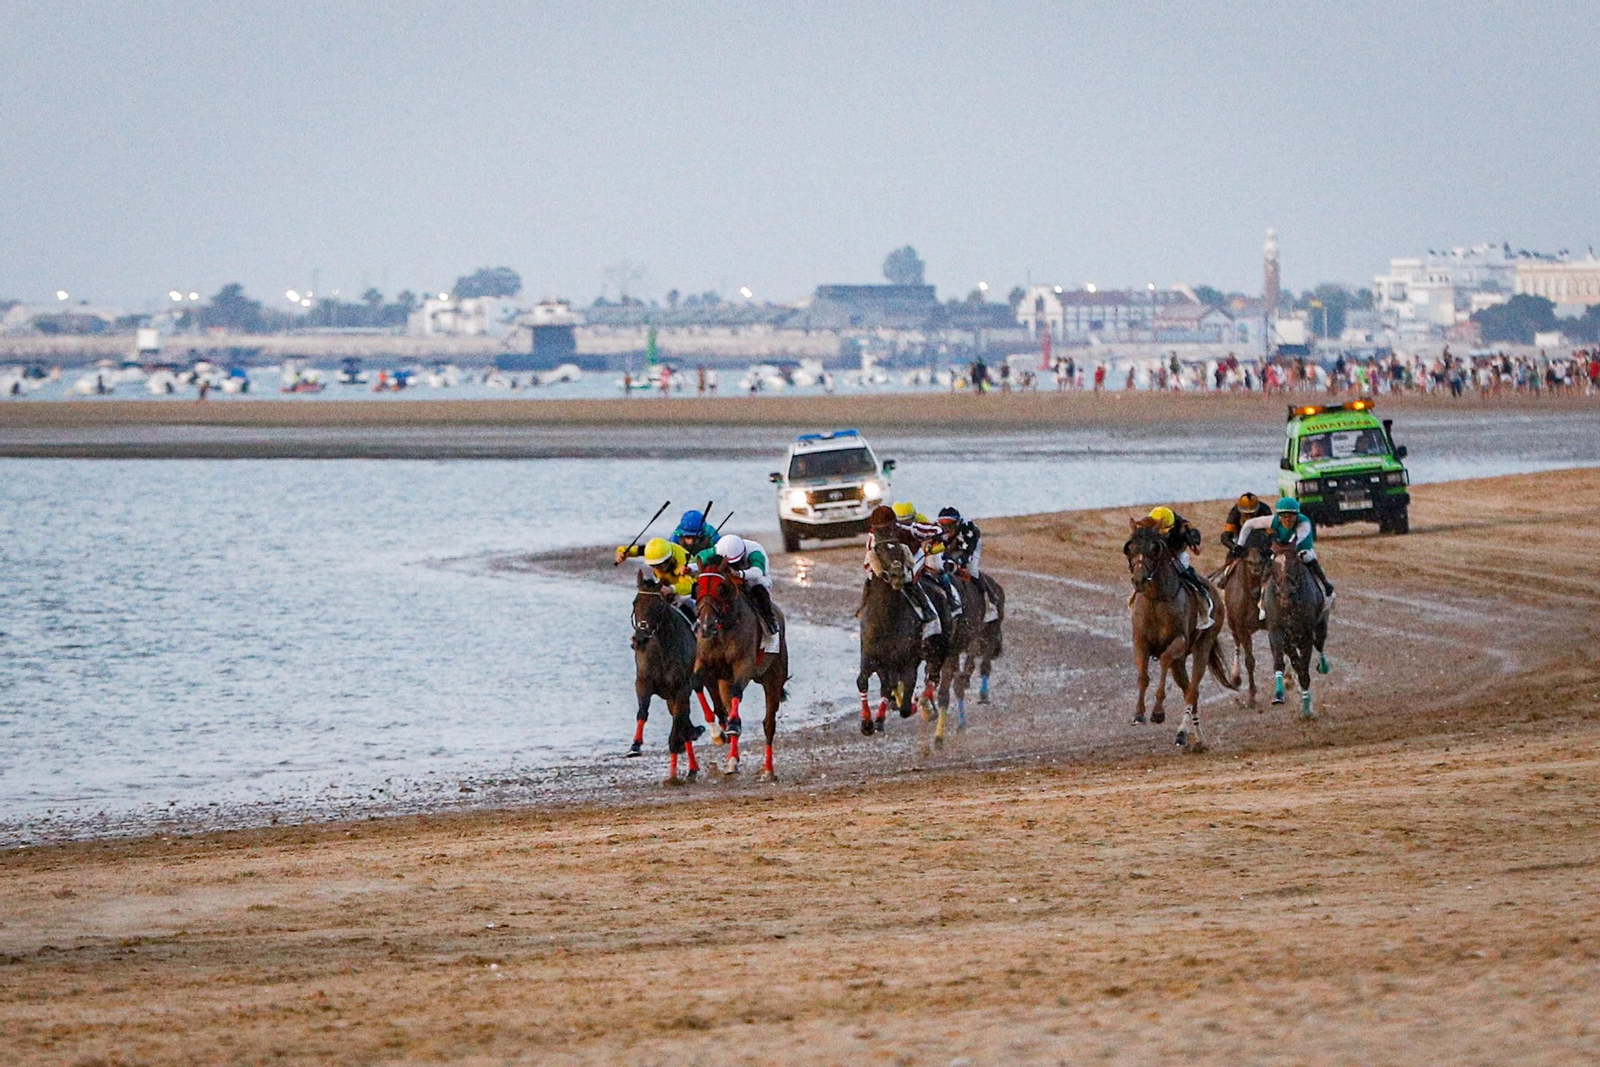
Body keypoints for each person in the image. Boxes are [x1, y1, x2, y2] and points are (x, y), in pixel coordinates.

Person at [1237, 497, 1335, 615]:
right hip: (1283, 546)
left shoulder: (1304, 523)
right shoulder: (1273, 520)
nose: (1287, 520)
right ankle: (1263, 595)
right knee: (1271, 561)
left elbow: (1295, 541)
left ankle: (1325, 585)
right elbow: (1249, 524)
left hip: (1301, 546)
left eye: (1291, 516)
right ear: (1279, 516)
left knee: (1307, 557)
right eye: (1284, 516)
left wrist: (1279, 550)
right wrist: (1240, 545)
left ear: (1297, 516)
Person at [865, 504, 942, 635]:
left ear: (895, 525)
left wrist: (932, 541)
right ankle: (864, 607)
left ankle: (927, 610)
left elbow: (937, 530)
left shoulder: (909, 529)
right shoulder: (872, 536)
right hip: (886, 562)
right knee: (871, 577)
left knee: (907, 578)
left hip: (910, 556)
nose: (883, 533)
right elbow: (869, 559)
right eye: (879, 530)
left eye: (887, 529)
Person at [1143, 506, 1213, 628]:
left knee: (1184, 568)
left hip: (1176, 552)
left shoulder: (1182, 525)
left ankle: (1200, 593)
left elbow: (1193, 533)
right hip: (1157, 554)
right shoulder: (1147, 524)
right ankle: (1134, 598)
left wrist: (1194, 543)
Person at [706, 533, 778, 640]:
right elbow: (698, 559)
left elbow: (758, 571)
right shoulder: (717, 549)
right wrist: (688, 568)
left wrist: (739, 574)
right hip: (730, 576)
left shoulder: (755, 551)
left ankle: (770, 620)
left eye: (734, 562)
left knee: (759, 587)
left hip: (754, 576)